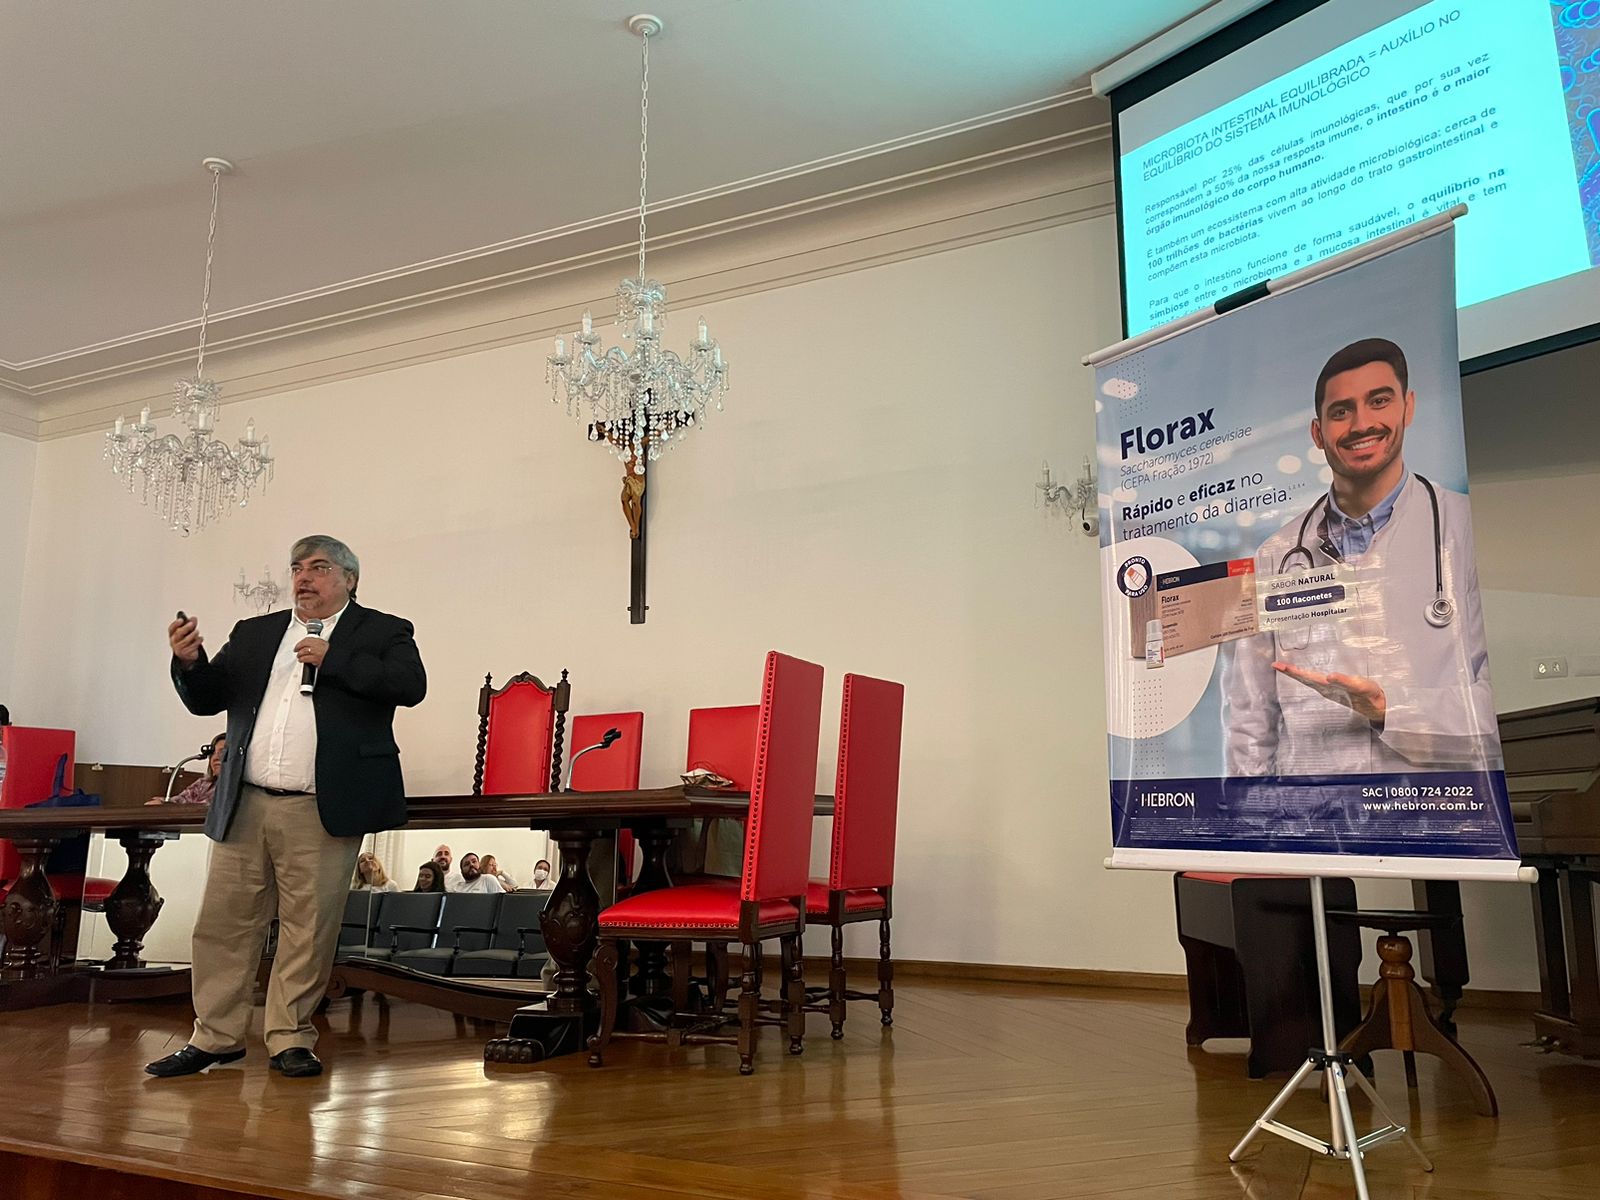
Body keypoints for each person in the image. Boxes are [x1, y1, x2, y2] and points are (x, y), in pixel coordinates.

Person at [145, 534, 426, 1080]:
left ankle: (290, 1037)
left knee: (308, 929)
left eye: (319, 567)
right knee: (223, 926)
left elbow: (409, 685)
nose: (304, 577)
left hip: (321, 807)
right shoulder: (256, 633)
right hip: (246, 802)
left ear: (349, 579)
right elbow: (208, 698)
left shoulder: (383, 631)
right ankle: (216, 1038)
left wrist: (334, 659)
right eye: (297, 568)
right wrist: (189, 661)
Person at [1222, 338, 1498, 776]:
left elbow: (1496, 704)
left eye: (1379, 401)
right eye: (1341, 411)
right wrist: (1254, 806)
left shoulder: (1464, 526)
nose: (1361, 423)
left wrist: (1389, 708)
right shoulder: (1276, 554)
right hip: (1312, 809)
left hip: (1430, 804)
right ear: (1318, 433)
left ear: (1408, 408)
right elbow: (1250, 715)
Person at [147, 733, 226, 805]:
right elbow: (181, 800)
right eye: (212, 753)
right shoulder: (203, 784)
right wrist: (162, 802)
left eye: (222, 752)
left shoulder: (233, 788)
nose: (215, 758)